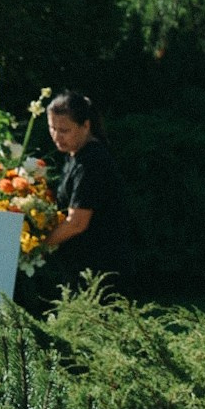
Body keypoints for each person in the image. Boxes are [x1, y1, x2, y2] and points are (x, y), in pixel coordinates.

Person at [43, 90, 135, 298]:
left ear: (86, 125)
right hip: (79, 268)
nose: (56, 136)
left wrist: (37, 246)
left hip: (99, 273)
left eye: (64, 130)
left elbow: (77, 222)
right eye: (52, 128)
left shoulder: (92, 161)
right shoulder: (73, 155)